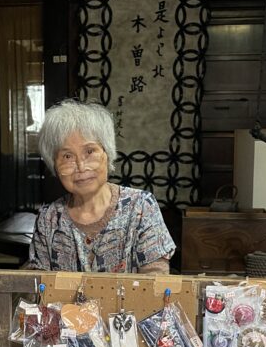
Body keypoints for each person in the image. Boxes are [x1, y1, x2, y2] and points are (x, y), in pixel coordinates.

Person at [28, 98, 176, 273]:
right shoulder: (49, 218)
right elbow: (38, 283)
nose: (81, 167)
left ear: (108, 153)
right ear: (54, 165)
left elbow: (156, 279)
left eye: (90, 151)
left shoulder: (141, 206)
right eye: (67, 156)